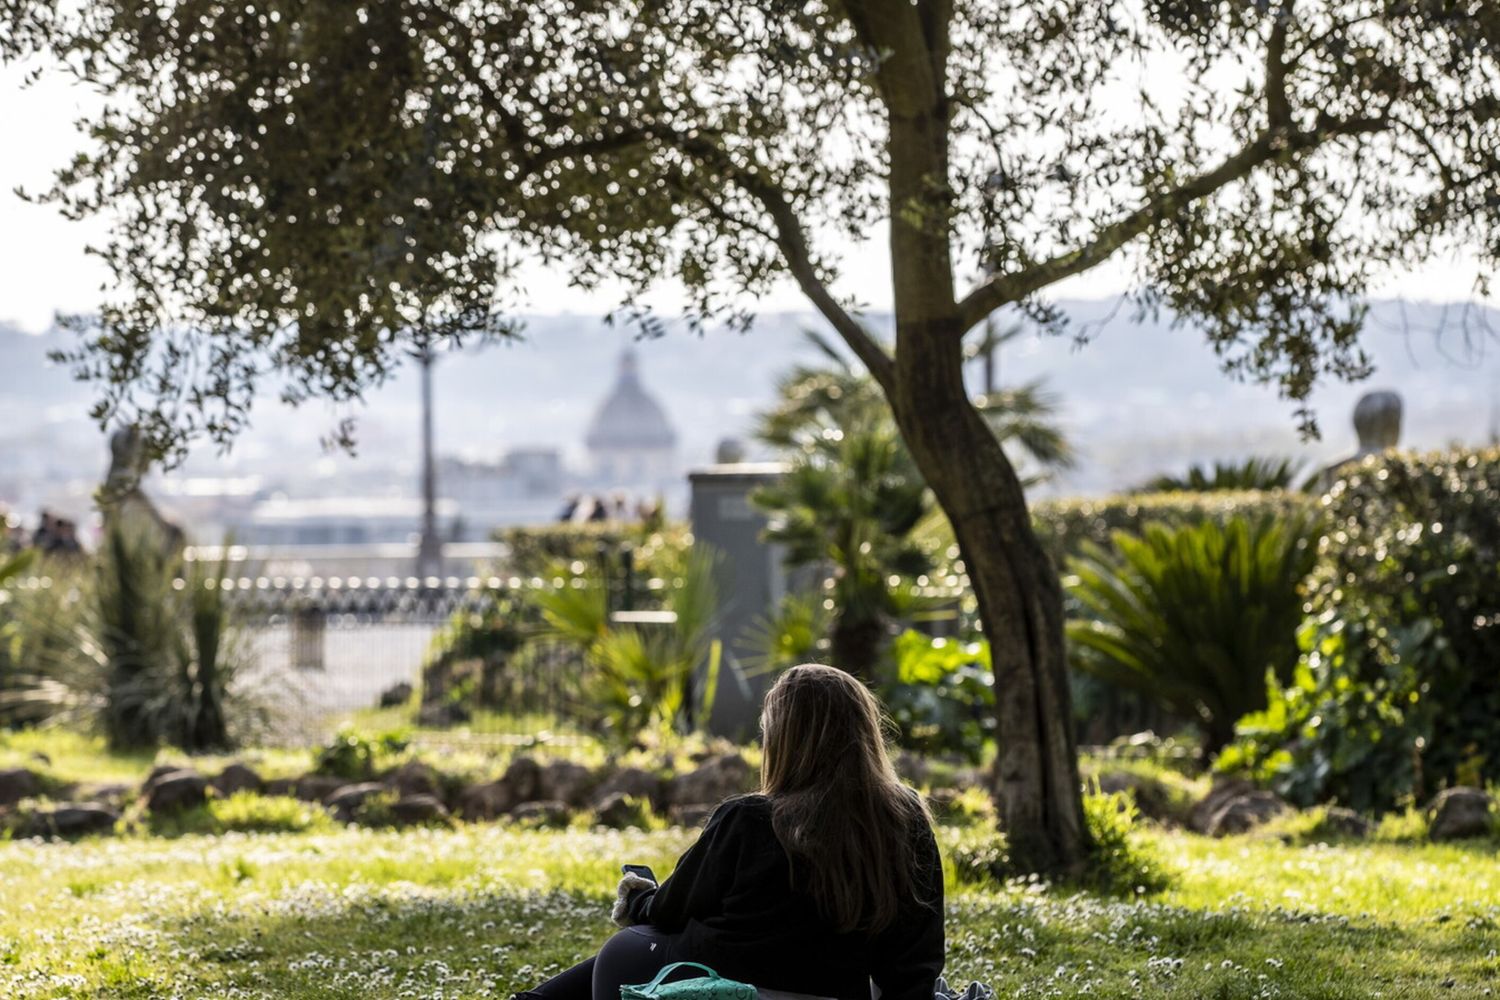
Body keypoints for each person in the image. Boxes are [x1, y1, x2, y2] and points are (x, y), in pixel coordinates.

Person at [518, 664, 944, 1000]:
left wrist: (638, 898)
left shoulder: (750, 818)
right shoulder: (903, 818)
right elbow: (917, 956)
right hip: (838, 990)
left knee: (631, 945)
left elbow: (672, 908)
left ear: (781, 739)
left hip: (723, 983)